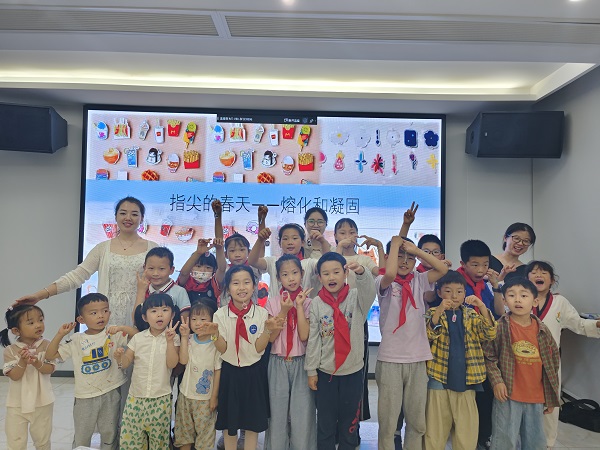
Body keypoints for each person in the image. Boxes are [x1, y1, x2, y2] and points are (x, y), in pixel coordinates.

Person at [15, 197, 158, 328]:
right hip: (106, 316)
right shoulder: (102, 248)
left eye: (134, 214)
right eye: (123, 213)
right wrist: (39, 295)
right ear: (115, 216)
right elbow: (77, 276)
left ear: (142, 218)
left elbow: (162, 282)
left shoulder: (153, 248)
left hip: (143, 315)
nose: (128, 218)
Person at [375, 236, 448, 450]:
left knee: (417, 422)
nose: (405, 262)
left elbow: (442, 269)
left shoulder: (419, 279)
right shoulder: (382, 281)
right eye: (399, 257)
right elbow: (390, 273)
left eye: (409, 258)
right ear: (389, 257)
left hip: (417, 359)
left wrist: (416, 251)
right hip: (390, 360)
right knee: (388, 422)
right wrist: (396, 244)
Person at [45, 293, 137, 450]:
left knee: (109, 432)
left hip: (110, 391)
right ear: (81, 319)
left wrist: (122, 328)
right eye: (94, 313)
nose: (101, 316)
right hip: (85, 396)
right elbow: (50, 355)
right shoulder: (76, 339)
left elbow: (138, 336)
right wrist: (60, 334)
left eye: (105, 311)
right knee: (83, 434)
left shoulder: (114, 334)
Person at [305, 252, 376, 450]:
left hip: (352, 372)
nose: (331, 277)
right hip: (325, 373)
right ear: (319, 278)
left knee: (349, 425)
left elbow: (370, 290)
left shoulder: (356, 297)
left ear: (345, 273)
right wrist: (311, 371)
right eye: (326, 273)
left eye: (336, 272)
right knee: (325, 424)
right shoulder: (316, 303)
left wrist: (361, 272)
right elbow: (313, 340)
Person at [526, 261, 600, 447]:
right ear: (526, 279)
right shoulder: (521, 298)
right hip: (523, 361)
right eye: (533, 272)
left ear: (552, 280)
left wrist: (596, 324)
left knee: (550, 404)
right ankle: (524, 440)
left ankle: (547, 443)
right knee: (523, 403)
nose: (538, 275)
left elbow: (578, 324)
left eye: (544, 272)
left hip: (550, 362)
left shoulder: (560, 302)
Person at [483, 278, 560, 450]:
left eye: (524, 296)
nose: (517, 300)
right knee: (504, 440)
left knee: (535, 442)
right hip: (508, 395)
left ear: (535, 301)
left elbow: (552, 364)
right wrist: (497, 381)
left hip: (536, 396)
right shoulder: (499, 327)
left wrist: (551, 396)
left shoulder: (543, 330)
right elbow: (489, 356)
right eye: (512, 295)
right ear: (504, 300)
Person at [212, 265, 283, 450]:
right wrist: (214, 335)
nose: (241, 287)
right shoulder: (220, 315)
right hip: (230, 374)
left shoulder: (261, 314)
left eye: (246, 282)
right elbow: (223, 349)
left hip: (253, 374)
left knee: (252, 423)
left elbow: (259, 348)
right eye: (235, 283)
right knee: (229, 423)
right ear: (228, 289)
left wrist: (268, 330)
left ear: (254, 286)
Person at [424, 271, 497, 450]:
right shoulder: (433, 312)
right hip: (438, 377)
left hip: (468, 379)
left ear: (465, 293)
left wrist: (481, 306)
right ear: (439, 293)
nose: (454, 296)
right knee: (435, 428)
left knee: (466, 430)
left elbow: (489, 333)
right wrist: (439, 310)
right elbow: (428, 334)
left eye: (459, 291)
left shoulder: (471, 315)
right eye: (448, 291)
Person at [115, 293, 181, 449]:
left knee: (159, 442)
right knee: (132, 441)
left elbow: (172, 364)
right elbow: (126, 362)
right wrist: (119, 357)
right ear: (144, 317)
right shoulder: (138, 338)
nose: (159, 314)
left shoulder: (174, 338)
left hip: (160, 398)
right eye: (154, 311)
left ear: (172, 315)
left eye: (165, 310)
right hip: (135, 398)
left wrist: (170, 342)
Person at [264, 254, 316, 450]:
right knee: (276, 413)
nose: (291, 278)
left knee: (302, 413)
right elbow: (271, 338)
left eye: (295, 273)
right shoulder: (272, 302)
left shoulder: (309, 302)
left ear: (302, 274)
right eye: (285, 274)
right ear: (278, 278)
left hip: (302, 362)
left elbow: (304, 335)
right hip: (277, 362)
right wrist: (284, 311)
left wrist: (299, 306)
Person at [456, 239, 504, 449]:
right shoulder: (455, 283)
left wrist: (496, 286)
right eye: (475, 264)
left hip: (485, 350)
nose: (481, 270)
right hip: (462, 351)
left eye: (485, 264)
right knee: (464, 398)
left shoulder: (485, 286)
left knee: (485, 397)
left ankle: (482, 437)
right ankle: (463, 437)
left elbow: (499, 312)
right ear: (463, 263)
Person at [1, 305, 56, 450]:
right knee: (15, 442)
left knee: (43, 441)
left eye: (41, 320)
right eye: (31, 322)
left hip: (42, 402)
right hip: (17, 403)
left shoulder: (47, 345)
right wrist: (22, 362)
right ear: (16, 331)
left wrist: (37, 362)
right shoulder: (10, 350)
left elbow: (50, 369)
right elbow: (14, 376)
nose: (38, 325)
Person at [174, 299, 222, 450]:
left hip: (205, 399)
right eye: (194, 319)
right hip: (185, 395)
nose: (198, 323)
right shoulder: (189, 339)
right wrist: (184, 337)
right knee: (184, 434)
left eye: (203, 319)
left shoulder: (215, 344)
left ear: (212, 321)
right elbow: (183, 360)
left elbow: (218, 371)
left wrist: (214, 397)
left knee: (205, 436)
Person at [248, 223, 322, 301]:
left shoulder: (309, 263)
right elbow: (252, 261)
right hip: (276, 308)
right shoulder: (273, 262)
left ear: (303, 242)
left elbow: (326, 265)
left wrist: (322, 242)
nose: (290, 242)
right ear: (280, 243)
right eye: (285, 239)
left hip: (304, 307)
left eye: (294, 238)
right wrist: (260, 240)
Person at [132, 246, 191, 327]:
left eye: (161, 269)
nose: (155, 273)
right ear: (144, 268)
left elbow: (184, 321)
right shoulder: (144, 289)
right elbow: (136, 320)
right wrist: (141, 291)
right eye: (151, 268)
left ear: (171, 270)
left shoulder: (179, 291)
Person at [178, 238, 227, 305]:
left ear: (214, 270)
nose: (203, 270)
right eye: (198, 266)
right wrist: (198, 253)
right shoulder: (186, 282)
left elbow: (222, 269)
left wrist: (219, 249)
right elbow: (183, 273)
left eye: (208, 267)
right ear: (191, 268)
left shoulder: (214, 284)